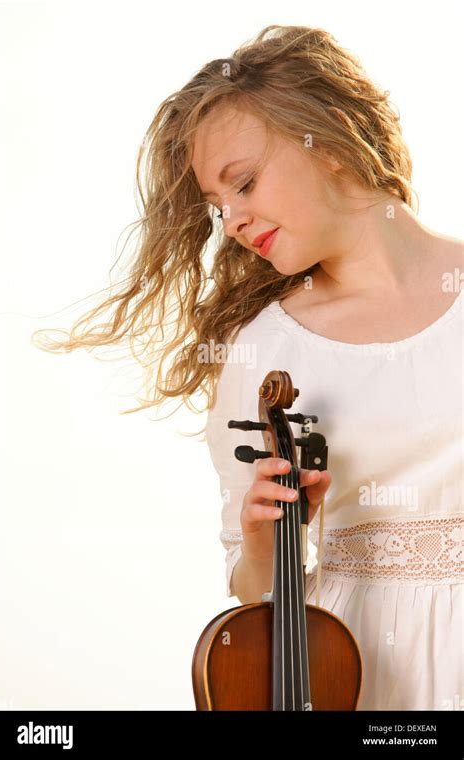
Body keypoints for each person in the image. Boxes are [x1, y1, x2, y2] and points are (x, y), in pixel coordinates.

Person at [33, 24, 463, 711]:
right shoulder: (264, 351)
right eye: (217, 206)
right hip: (352, 666)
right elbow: (255, 586)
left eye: (245, 182)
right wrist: (266, 542)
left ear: (329, 138)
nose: (232, 219)